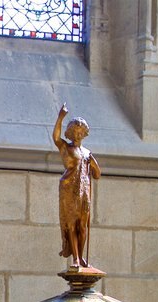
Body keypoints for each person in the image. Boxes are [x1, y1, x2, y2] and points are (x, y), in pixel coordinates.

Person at [53, 103, 101, 270]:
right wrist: (60, 118)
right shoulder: (66, 147)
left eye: (81, 132)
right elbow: (56, 138)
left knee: (83, 224)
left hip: (84, 190)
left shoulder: (88, 153)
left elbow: (97, 174)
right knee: (72, 223)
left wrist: (92, 162)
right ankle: (76, 258)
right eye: (75, 131)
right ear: (71, 132)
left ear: (85, 133)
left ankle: (82, 258)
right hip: (69, 188)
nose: (78, 134)